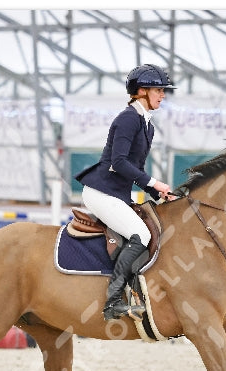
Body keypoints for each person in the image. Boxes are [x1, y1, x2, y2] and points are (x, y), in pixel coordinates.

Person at [75, 64, 177, 321]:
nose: (162, 95)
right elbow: (119, 162)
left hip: (117, 193)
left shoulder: (147, 126)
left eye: (163, 91)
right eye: (158, 90)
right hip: (101, 191)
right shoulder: (128, 119)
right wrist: (155, 182)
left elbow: (135, 169)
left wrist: (158, 193)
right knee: (141, 235)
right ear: (141, 91)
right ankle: (112, 302)